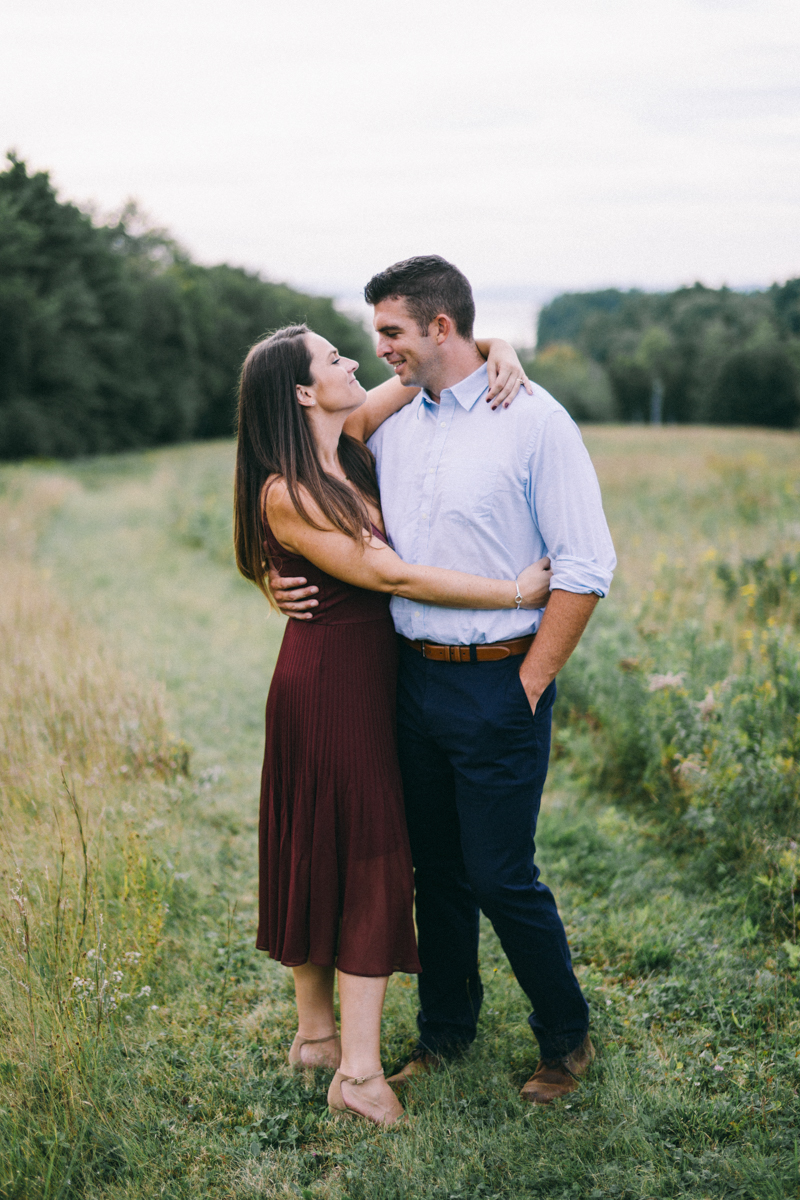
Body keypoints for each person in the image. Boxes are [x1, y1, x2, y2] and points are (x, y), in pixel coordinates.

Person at [271, 256, 617, 1106]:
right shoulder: (390, 424)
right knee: (436, 872)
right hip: (409, 684)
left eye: (390, 331)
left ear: (438, 328)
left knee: (501, 872)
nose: (376, 347)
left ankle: (565, 1040)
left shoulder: (535, 421)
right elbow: (292, 490)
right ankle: (446, 1033)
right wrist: (268, 577)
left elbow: (585, 566)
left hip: (501, 679)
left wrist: (532, 680)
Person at [233, 322, 551, 1126]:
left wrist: (501, 346)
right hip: (333, 685)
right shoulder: (289, 488)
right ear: (305, 391)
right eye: (335, 359)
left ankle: (316, 1040)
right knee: (365, 852)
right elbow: (392, 571)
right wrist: (516, 593)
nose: (355, 362)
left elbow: (426, 369)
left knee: (330, 843)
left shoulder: (345, 441)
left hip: (364, 676)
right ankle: (361, 1076)